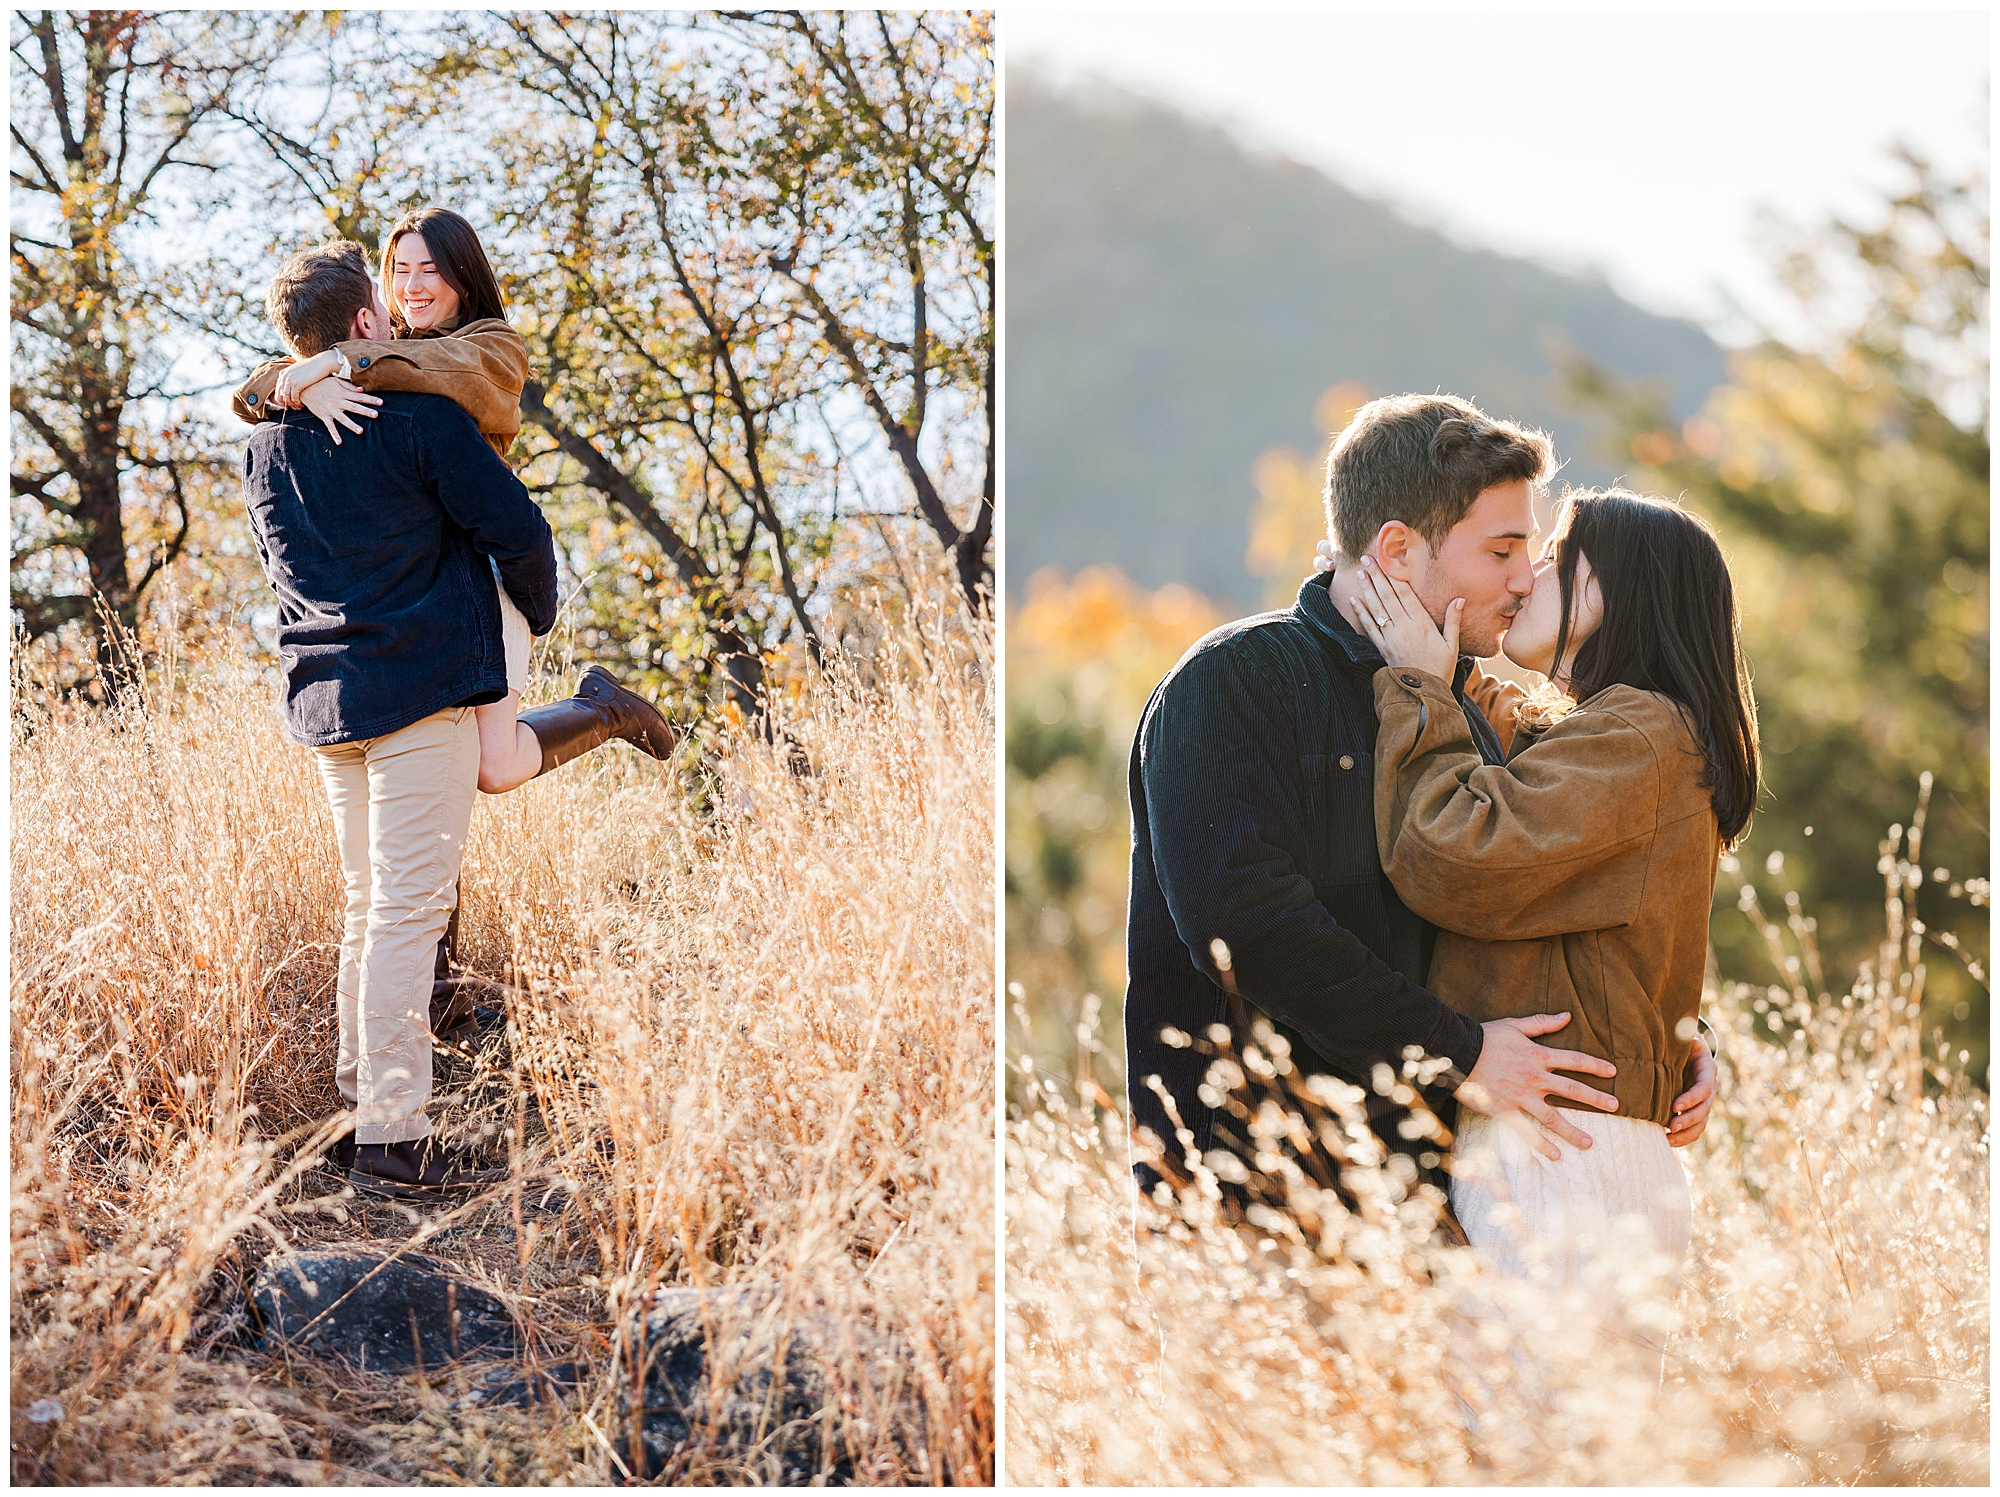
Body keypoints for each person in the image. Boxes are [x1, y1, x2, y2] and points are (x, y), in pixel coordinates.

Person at [1123, 392, 1719, 1220]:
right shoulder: (1234, 680)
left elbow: (1578, 902)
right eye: (1504, 550)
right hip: (1252, 1196)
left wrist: (1677, 1037)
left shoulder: (1463, 704)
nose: (1522, 579)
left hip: (1437, 1211)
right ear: (1399, 550)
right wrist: (1462, 1052)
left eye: (1533, 554)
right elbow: (1243, 925)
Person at [1345, 485, 1757, 1297]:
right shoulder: (1626, 735)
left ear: (1608, 591)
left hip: (1561, 1158)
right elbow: (1507, 740)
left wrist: (1419, 688)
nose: (1527, 577)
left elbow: (1457, 855)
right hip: (1576, 1149)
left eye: (1554, 558)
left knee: (1522, 1425)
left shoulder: (1638, 735)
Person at [240, 239, 557, 1197]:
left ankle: (362, 1112)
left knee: (367, 909)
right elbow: (520, 533)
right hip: (422, 696)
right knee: (408, 913)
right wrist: (521, 631)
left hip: (329, 709)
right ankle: (392, 1134)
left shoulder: (260, 449)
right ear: (367, 324)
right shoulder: (418, 420)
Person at [232, 206, 674, 792]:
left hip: (482, 571)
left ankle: (602, 707)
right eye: (400, 271)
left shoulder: (490, 348)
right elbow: (254, 389)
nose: (412, 288)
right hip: (420, 583)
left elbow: (438, 368)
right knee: (448, 766)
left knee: (493, 766)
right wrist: (306, 384)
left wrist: (336, 363)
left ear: (462, 275)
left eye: (430, 270)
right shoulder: (378, 344)